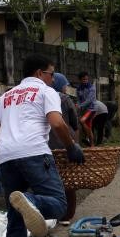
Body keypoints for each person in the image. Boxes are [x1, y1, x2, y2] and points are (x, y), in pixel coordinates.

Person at [0, 54, 84, 237]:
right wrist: (71, 146)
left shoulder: (6, 96)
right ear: (39, 73)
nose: (53, 79)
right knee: (60, 205)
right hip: (34, 153)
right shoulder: (45, 91)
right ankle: (29, 200)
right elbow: (56, 122)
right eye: (51, 74)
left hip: (6, 158)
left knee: (15, 217)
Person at [48, 72, 80, 226]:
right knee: (68, 181)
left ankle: (50, 214)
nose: (67, 88)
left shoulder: (41, 96)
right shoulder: (64, 98)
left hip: (46, 145)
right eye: (65, 85)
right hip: (65, 144)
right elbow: (74, 122)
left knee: (49, 179)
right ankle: (67, 215)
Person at [76, 71, 96, 144]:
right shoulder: (78, 88)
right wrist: (78, 104)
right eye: (83, 79)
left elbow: (89, 100)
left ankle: (88, 138)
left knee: (82, 121)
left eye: (86, 79)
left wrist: (80, 106)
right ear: (80, 80)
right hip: (84, 110)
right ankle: (92, 145)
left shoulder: (91, 87)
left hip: (91, 109)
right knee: (88, 127)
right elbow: (78, 99)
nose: (85, 81)